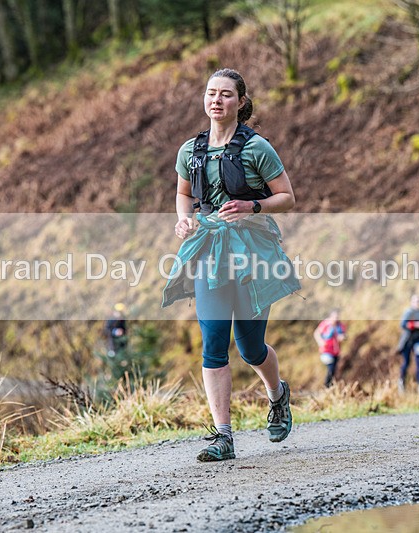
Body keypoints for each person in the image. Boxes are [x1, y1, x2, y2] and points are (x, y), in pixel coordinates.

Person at [162, 68, 300, 462]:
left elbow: (287, 197)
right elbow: (182, 193)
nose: (216, 100)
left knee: (250, 347)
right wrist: (184, 218)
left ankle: (277, 394)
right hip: (208, 251)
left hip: (253, 251)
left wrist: (251, 205)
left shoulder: (258, 148)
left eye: (225, 94)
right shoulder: (190, 150)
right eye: (210, 93)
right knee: (214, 343)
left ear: (240, 102)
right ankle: (223, 435)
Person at [396, 294, 419, 392]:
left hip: (417, 338)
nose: (417, 303)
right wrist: (414, 324)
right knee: (406, 362)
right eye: (416, 301)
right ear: (411, 302)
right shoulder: (408, 312)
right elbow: (403, 324)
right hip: (407, 339)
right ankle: (401, 383)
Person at [314, 309, 347, 388]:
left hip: (336, 352)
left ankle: (330, 386)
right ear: (330, 316)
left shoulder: (340, 325)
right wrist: (320, 342)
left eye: (337, 317)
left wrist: (343, 338)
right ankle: (327, 385)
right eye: (335, 317)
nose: (336, 319)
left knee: (334, 370)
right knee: (331, 367)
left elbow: (343, 335)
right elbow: (317, 333)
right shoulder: (325, 324)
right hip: (326, 351)